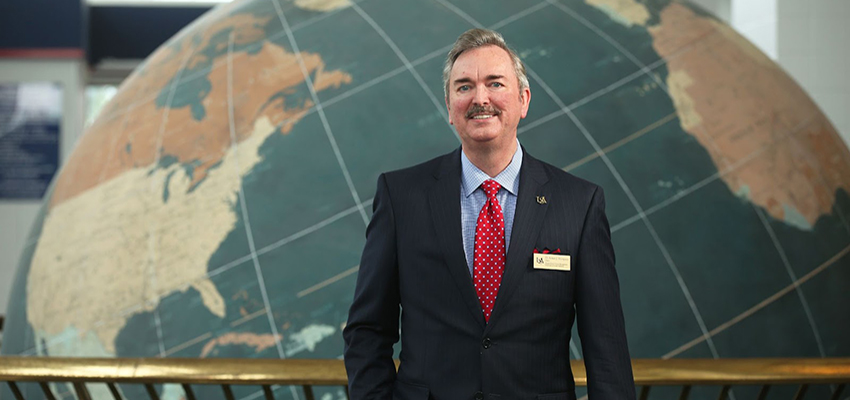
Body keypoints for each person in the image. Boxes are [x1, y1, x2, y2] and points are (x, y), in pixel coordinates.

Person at [343, 28, 635, 400]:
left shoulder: (578, 204)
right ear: (449, 107)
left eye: (495, 84)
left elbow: (606, 345)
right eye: (464, 87)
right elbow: (368, 330)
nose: (480, 98)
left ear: (523, 100)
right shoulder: (401, 197)